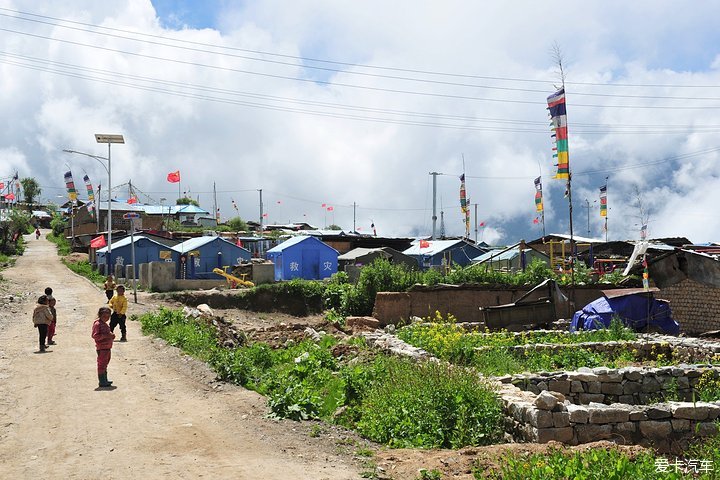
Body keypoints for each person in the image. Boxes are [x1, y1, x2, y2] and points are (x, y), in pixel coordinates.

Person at [91, 306, 115, 387]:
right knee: (102, 364)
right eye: (104, 316)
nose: (106, 318)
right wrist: (106, 336)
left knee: (105, 364)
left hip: (107, 347)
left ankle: (105, 380)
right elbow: (95, 336)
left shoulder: (104, 324)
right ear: (100, 315)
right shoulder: (98, 324)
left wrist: (111, 335)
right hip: (102, 348)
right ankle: (102, 381)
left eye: (108, 317)